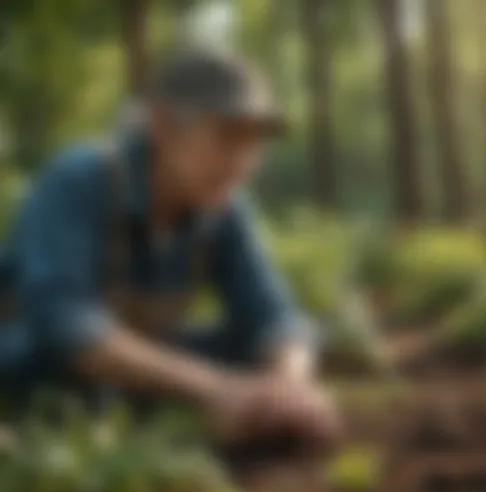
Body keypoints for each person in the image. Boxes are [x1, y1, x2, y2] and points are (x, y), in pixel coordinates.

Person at [0, 49, 337, 455]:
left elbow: (273, 317)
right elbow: (66, 323)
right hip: (36, 360)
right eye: (227, 136)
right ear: (161, 124)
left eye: (254, 142)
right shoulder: (80, 180)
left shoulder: (224, 208)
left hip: (133, 369)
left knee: (262, 350)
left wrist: (289, 386)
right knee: (39, 354)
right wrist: (217, 389)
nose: (242, 162)